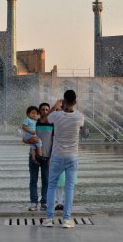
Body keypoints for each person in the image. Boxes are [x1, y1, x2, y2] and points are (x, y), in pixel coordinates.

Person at [42, 90, 84, 228]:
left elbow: (43, 120)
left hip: (57, 156)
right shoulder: (79, 117)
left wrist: (55, 106)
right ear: (75, 102)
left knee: (51, 186)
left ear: (64, 101)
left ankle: (48, 219)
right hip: (72, 156)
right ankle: (66, 220)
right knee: (69, 188)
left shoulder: (56, 115)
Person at [25, 103, 54, 211]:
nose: (45, 111)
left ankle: (44, 202)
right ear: (39, 111)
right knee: (33, 180)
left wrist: (51, 157)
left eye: (47, 110)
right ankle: (33, 202)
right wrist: (29, 141)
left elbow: (54, 141)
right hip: (34, 157)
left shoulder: (52, 124)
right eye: (43, 109)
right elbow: (26, 138)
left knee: (46, 180)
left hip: (47, 157)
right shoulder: (34, 123)